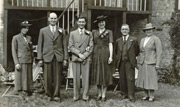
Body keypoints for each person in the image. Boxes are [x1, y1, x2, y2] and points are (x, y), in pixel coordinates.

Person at [37, 12, 68, 102]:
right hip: (47, 56)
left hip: (58, 56)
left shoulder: (62, 30)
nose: (53, 20)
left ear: (57, 19)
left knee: (58, 77)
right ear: (48, 19)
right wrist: (40, 58)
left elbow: (64, 45)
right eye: (52, 18)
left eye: (55, 18)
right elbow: (40, 45)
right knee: (47, 77)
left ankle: (56, 95)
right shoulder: (43, 31)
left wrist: (65, 58)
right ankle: (48, 94)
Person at [69, 16, 93, 102]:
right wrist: (79, 54)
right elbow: (71, 47)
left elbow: (91, 46)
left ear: (85, 23)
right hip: (76, 58)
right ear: (77, 23)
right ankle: (76, 95)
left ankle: (85, 96)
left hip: (85, 59)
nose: (81, 23)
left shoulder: (89, 33)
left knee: (86, 78)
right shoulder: (72, 33)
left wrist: (85, 56)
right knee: (76, 78)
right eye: (80, 22)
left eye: (83, 22)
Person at [136, 23, 162, 102]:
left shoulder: (156, 39)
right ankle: (146, 95)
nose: (148, 31)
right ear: (145, 31)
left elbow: (159, 52)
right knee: (143, 79)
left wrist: (157, 64)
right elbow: (140, 51)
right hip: (143, 62)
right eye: (147, 30)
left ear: (152, 30)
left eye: (150, 29)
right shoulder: (142, 40)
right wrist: (138, 61)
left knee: (150, 79)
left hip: (151, 62)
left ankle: (152, 96)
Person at [91, 15, 113, 101]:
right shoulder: (93, 32)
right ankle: (99, 93)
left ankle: (104, 94)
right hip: (96, 54)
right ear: (97, 24)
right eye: (100, 22)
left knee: (105, 74)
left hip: (105, 53)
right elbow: (91, 44)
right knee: (98, 74)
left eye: (103, 22)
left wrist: (111, 56)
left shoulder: (109, 32)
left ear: (105, 23)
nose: (101, 24)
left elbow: (111, 43)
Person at [115, 24, 139, 102]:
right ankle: (124, 94)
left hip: (129, 62)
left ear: (128, 30)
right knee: (122, 79)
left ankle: (131, 95)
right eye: (123, 29)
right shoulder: (118, 41)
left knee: (130, 79)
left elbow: (137, 51)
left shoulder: (134, 40)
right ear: (121, 31)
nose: (124, 31)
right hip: (121, 62)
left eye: (126, 29)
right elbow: (116, 51)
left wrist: (132, 58)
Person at [11, 21, 33, 96]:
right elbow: (14, 51)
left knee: (28, 75)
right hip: (21, 59)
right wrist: (16, 63)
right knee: (21, 76)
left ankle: (27, 89)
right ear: (21, 29)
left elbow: (31, 50)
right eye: (24, 28)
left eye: (27, 28)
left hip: (28, 59)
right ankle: (20, 90)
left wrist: (32, 58)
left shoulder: (29, 37)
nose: (26, 30)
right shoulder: (16, 38)